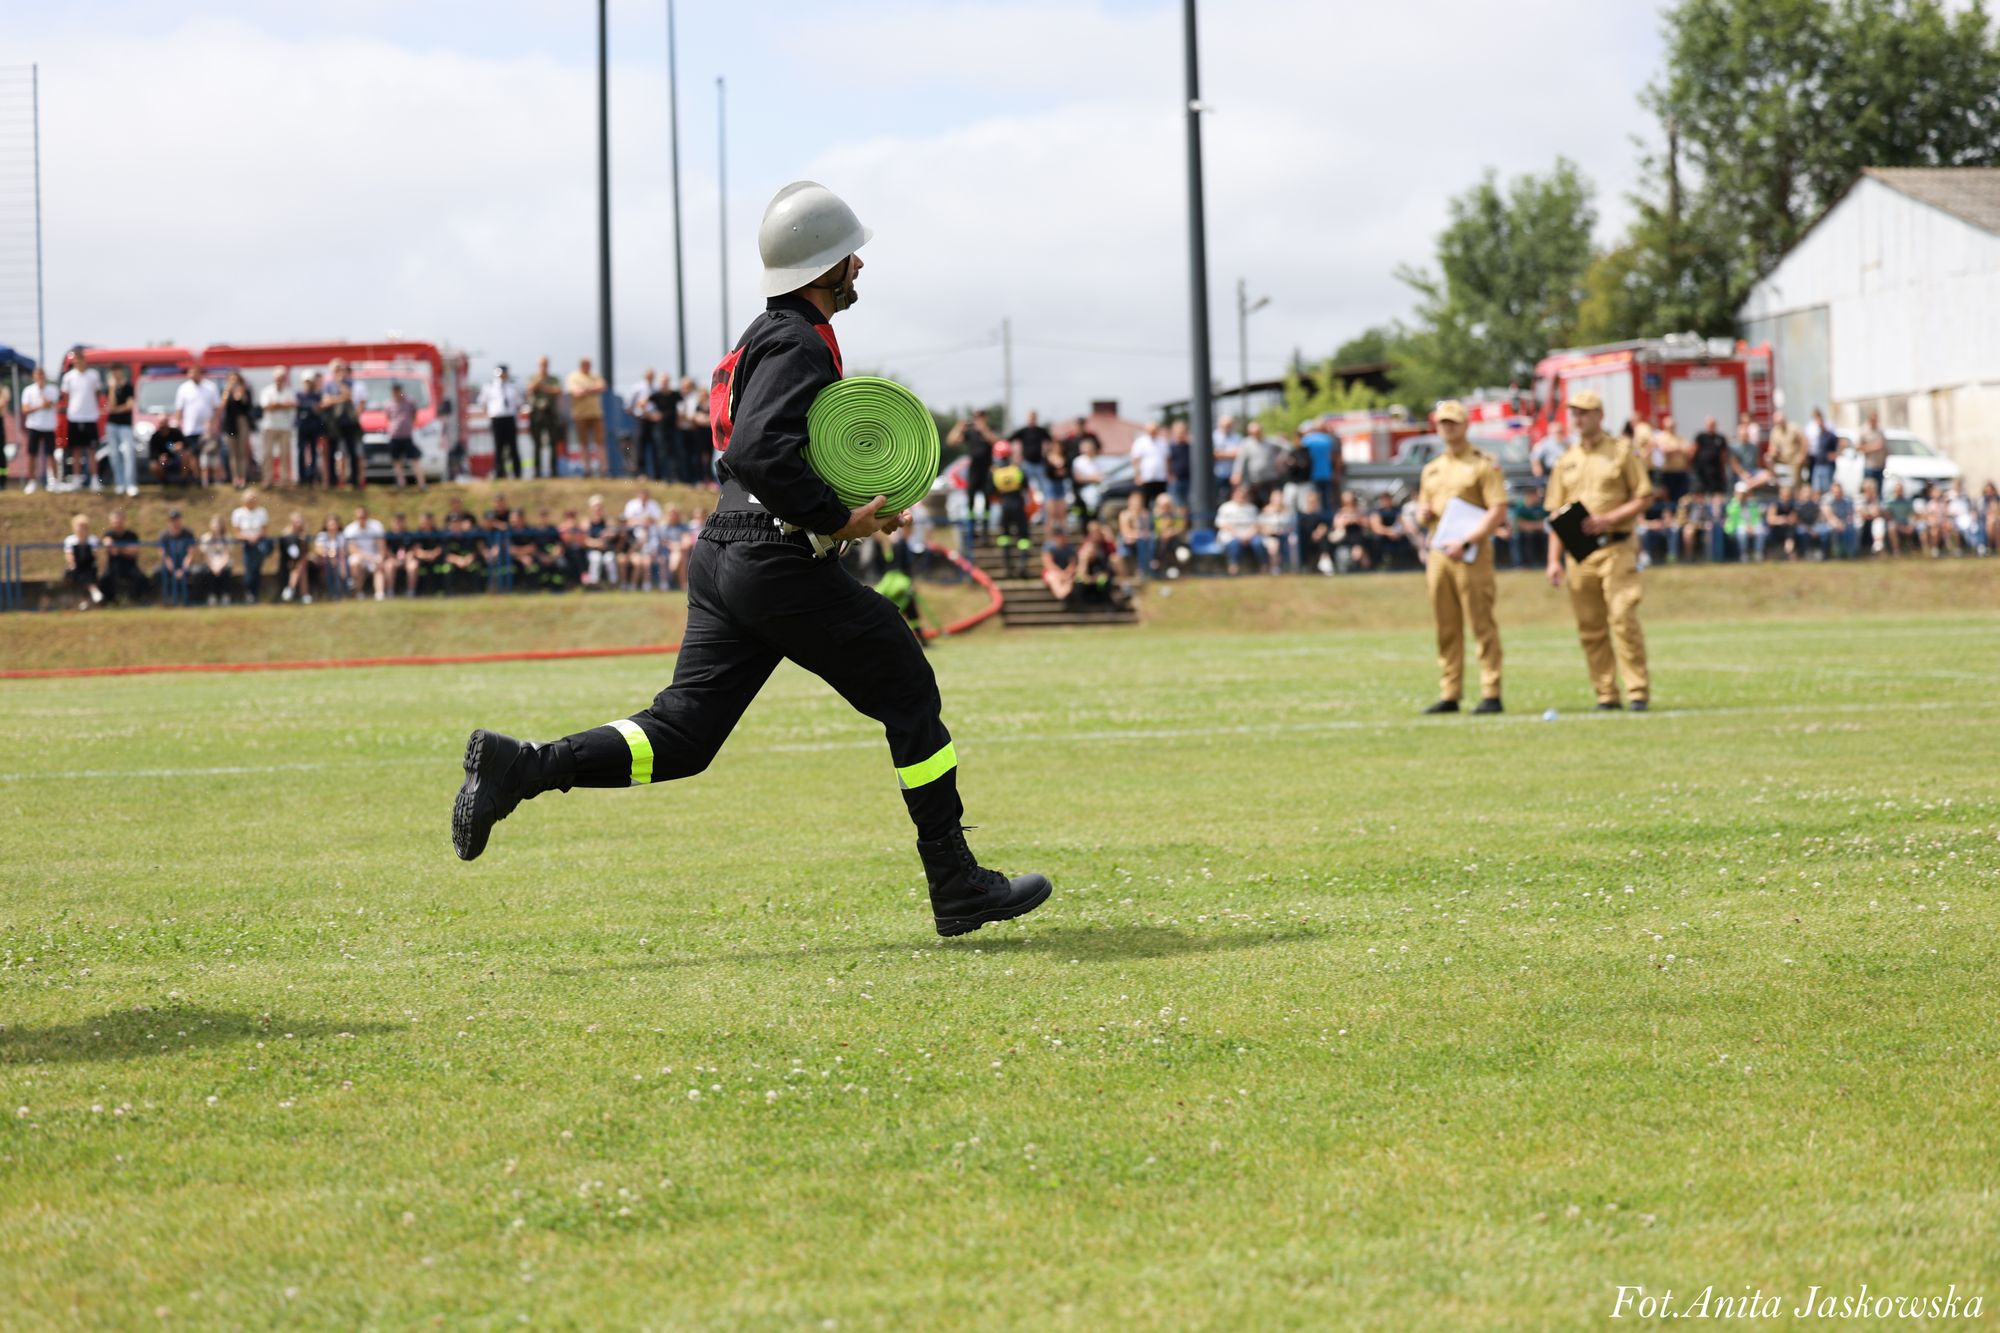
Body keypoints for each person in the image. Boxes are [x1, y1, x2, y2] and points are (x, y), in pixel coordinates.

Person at [451, 180, 1049, 936]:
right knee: (908, 687)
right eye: (847, 257)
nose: (859, 266)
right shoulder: (799, 340)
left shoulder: (761, 337)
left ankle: (525, 767)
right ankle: (957, 884)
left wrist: (848, 512)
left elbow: (761, 450)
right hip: (773, 559)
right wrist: (837, 517)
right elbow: (760, 449)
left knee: (682, 736)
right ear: (821, 269)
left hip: (728, 552)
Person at [1545, 389, 1652, 711]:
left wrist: (1609, 519)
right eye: (1574, 413)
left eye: (1585, 412)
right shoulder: (1566, 460)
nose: (1579, 418)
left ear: (1600, 415)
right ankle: (1606, 694)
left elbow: (1644, 496)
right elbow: (1556, 514)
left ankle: (1637, 691)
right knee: (1590, 626)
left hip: (1616, 546)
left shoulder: (1621, 452)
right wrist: (1553, 560)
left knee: (1622, 616)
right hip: (1580, 555)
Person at [1412, 401, 1507, 715]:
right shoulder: (1432, 468)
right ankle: (1450, 692)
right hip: (1440, 552)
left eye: (1453, 422)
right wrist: (1422, 513)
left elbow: (1498, 509)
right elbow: (1424, 508)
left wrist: (1470, 539)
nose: (1447, 428)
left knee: (1481, 622)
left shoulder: (1483, 464)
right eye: (1442, 423)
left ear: (1466, 426)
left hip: (1471, 552)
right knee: (1445, 624)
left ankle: (1491, 692)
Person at [60, 350, 105, 493]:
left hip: (90, 417)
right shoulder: (68, 377)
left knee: (92, 450)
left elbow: (98, 394)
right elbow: (65, 397)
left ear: (85, 360)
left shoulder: (93, 375)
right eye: (76, 361)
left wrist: (94, 408)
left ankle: (94, 479)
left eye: (80, 360)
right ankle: (76, 480)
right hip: (74, 417)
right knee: (76, 451)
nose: (78, 363)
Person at [989, 442, 1032, 577]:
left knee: (1005, 536)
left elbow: (991, 491)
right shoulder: (1017, 470)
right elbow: (1026, 486)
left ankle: (1008, 566)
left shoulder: (995, 473)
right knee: (1023, 537)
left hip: (1005, 506)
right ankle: (1022, 564)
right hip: (1018, 504)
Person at [322, 359, 365, 488]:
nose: (338, 372)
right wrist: (340, 398)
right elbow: (325, 402)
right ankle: (332, 481)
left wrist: (340, 388)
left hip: (349, 423)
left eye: (340, 369)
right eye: (336, 369)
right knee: (332, 452)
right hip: (334, 424)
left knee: (352, 452)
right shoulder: (328, 385)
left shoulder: (350, 383)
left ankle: (354, 481)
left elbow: (349, 396)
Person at [482, 364, 526, 480]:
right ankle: (500, 472)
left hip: (509, 418)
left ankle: (517, 473)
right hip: (496, 418)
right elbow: (483, 403)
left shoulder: (513, 386)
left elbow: (519, 404)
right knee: (498, 447)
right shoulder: (489, 386)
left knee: (513, 447)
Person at [566, 357, 607, 478]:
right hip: (580, 415)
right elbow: (576, 393)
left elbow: (603, 387)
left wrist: (586, 389)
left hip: (596, 414)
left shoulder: (595, 375)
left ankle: (604, 470)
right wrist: (592, 389)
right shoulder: (573, 377)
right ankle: (587, 470)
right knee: (583, 444)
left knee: (600, 443)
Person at [257, 366, 297, 488]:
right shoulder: (267, 391)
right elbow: (266, 407)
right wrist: (282, 405)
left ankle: (284, 480)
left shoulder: (290, 391)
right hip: (269, 426)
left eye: (282, 378)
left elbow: (292, 405)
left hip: (285, 427)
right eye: (278, 378)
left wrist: (276, 405)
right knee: (267, 454)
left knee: (285, 454)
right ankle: (267, 479)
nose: (280, 380)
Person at [525, 356, 565, 478]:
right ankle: (537, 472)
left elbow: (558, 390)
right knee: (537, 443)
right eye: (542, 364)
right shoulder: (533, 377)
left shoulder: (553, 379)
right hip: (537, 413)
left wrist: (543, 387)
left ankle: (554, 472)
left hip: (550, 413)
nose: (544, 367)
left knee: (553, 443)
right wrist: (539, 381)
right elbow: (529, 389)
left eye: (545, 364)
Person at [21, 366, 58, 494]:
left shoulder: (52, 389)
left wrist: (42, 395)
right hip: (34, 426)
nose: (40, 378)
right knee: (32, 454)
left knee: (51, 455)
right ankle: (32, 481)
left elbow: (49, 405)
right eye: (38, 375)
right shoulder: (28, 390)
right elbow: (25, 409)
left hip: (48, 426)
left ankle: (54, 482)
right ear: (34, 376)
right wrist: (40, 406)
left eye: (42, 375)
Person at [231, 488, 271, 603]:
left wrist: (256, 537)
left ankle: (255, 594)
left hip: (259, 543)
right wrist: (248, 538)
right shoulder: (238, 513)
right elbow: (237, 532)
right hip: (247, 545)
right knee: (249, 569)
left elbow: (264, 530)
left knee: (257, 569)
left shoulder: (262, 512)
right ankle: (249, 593)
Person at [1230, 421, 1283, 507]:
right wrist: (1236, 473)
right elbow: (1240, 460)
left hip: (1269, 479)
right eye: (1252, 433)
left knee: (1270, 502)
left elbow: (1286, 448)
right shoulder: (1246, 443)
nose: (1255, 435)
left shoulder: (1270, 442)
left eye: (1257, 432)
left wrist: (1280, 462)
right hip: (1254, 480)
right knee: (1254, 503)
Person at [384, 382, 426, 491]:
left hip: (407, 436)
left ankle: (421, 483)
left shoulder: (409, 401)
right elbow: (388, 417)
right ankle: (401, 482)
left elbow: (414, 414)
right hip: (394, 436)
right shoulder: (389, 404)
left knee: (414, 459)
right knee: (396, 460)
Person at [342, 504, 389, 600]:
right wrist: (371, 559)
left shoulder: (376, 526)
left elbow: (381, 546)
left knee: (379, 565)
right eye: (358, 517)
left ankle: (379, 594)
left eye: (363, 517)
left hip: (375, 556)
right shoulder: (350, 529)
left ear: (367, 516)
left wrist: (380, 558)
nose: (361, 519)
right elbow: (353, 550)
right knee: (356, 563)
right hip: (360, 557)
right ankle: (358, 592)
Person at [100, 510, 147, 605]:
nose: (117, 524)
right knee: (104, 579)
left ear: (124, 521)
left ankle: (138, 601)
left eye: (119, 522)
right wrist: (124, 549)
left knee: (141, 579)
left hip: (130, 566)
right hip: (113, 566)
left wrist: (118, 549)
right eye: (115, 522)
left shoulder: (132, 535)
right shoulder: (108, 534)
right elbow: (107, 545)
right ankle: (110, 602)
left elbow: (133, 551)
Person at [218, 370, 256, 488]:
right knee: (233, 453)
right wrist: (227, 391)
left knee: (242, 451)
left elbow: (246, 404)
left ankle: (243, 477)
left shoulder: (246, 390)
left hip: (242, 422)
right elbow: (222, 407)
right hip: (230, 423)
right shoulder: (225, 392)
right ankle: (235, 478)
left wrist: (241, 392)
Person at [192, 514, 239, 605]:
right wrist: (213, 567)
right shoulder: (206, 538)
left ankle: (225, 595)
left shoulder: (226, 538)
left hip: (223, 563)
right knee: (208, 572)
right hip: (210, 563)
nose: (216, 526)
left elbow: (227, 554)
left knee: (226, 571)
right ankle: (212, 595)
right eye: (214, 524)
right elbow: (205, 556)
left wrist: (220, 566)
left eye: (218, 524)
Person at [1215, 484, 1261, 575]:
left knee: (1258, 543)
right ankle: (1233, 568)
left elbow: (1256, 525)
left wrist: (1248, 536)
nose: (1241, 497)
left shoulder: (1252, 508)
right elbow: (1222, 524)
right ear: (1233, 495)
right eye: (1238, 495)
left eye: (1243, 495)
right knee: (1234, 544)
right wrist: (1239, 536)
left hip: (1249, 536)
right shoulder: (1225, 507)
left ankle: (1264, 567)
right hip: (1231, 536)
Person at [1009, 409, 1052, 503]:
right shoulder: (1023, 431)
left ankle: (1044, 512)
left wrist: (1047, 452)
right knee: (1025, 488)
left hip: (1039, 463)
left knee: (1044, 488)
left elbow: (1051, 441)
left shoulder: (1041, 431)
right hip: (1026, 463)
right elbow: (1009, 439)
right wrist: (1015, 455)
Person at [63, 513, 105, 609]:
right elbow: (69, 555)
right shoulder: (70, 540)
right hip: (76, 567)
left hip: (89, 566)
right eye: (79, 527)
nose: (81, 529)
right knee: (77, 574)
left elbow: (95, 556)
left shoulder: (92, 539)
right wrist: (72, 563)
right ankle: (93, 591)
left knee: (87, 573)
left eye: (83, 527)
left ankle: (84, 601)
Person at [294, 370, 326, 488]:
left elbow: (318, 408)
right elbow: (302, 405)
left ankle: (311, 477)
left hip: (314, 428)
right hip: (302, 427)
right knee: (301, 452)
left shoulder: (318, 395)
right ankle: (302, 477)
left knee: (313, 452)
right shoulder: (299, 394)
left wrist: (310, 407)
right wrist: (311, 407)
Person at [157, 509, 196, 605]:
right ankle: (167, 599)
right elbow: (164, 555)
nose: (175, 522)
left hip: (185, 564)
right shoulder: (164, 535)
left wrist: (183, 569)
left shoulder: (188, 534)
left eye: (177, 519)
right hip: (170, 565)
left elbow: (191, 554)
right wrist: (174, 570)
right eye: (172, 520)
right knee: (158, 573)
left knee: (196, 572)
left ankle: (190, 599)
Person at [1129, 420, 1169, 509]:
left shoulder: (1162, 442)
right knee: (1144, 504)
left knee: (1161, 504)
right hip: (1146, 479)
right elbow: (1135, 460)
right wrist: (1137, 475)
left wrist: (1169, 474)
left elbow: (1167, 459)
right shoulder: (1140, 442)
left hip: (1160, 478)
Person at [276, 511, 311, 603]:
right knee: (301, 567)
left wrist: (303, 541)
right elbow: (293, 554)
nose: (299, 524)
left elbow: (306, 552)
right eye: (296, 522)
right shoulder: (287, 536)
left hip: (301, 563)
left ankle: (290, 588)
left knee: (301, 565)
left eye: (300, 522)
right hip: (288, 563)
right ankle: (305, 595)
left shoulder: (305, 535)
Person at [1769, 410, 1808, 486]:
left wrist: (1802, 455)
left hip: (1795, 457)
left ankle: (1796, 487)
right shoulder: (1775, 431)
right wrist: (1772, 454)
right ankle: (1776, 482)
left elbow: (1804, 442)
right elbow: (1772, 447)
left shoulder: (1794, 428)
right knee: (1767, 458)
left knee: (1797, 465)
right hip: (1782, 458)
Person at [1856, 412, 1888, 496]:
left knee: (1878, 492)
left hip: (1880, 466)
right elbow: (1858, 448)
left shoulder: (1880, 431)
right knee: (1868, 489)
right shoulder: (1864, 431)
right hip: (1869, 466)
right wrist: (1873, 447)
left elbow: (1885, 447)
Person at [1808, 408, 1839, 495]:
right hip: (1817, 463)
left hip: (1827, 464)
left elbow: (1839, 444)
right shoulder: (1817, 433)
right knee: (1816, 488)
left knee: (1826, 488)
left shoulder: (1830, 434)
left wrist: (1835, 454)